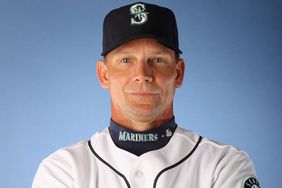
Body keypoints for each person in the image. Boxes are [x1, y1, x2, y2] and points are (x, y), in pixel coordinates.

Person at [32, 2, 260, 188]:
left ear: (178, 73)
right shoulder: (63, 170)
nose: (142, 74)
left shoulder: (223, 165)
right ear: (104, 75)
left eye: (157, 60)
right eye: (125, 60)